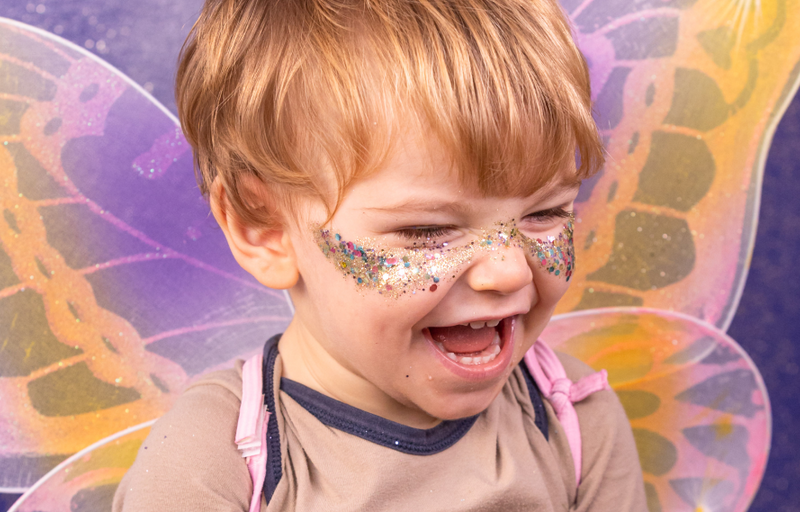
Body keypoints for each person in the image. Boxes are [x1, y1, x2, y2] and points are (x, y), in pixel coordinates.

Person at [113, 0, 646, 510]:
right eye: (426, 230)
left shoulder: (572, 418)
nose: (507, 270)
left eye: (546, 214)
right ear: (265, 228)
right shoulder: (210, 466)